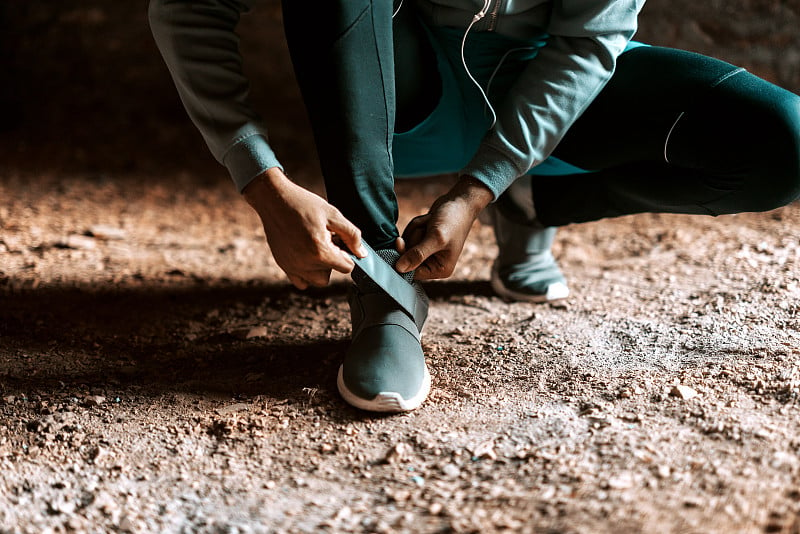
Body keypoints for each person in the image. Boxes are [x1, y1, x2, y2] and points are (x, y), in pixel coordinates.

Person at [148, 0, 800, 413]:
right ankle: (385, 290)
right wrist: (264, 184)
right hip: (397, 94)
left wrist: (480, 188)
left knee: (782, 143)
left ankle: (533, 199)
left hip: (540, 87)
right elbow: (187, 8)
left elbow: (587, 44)